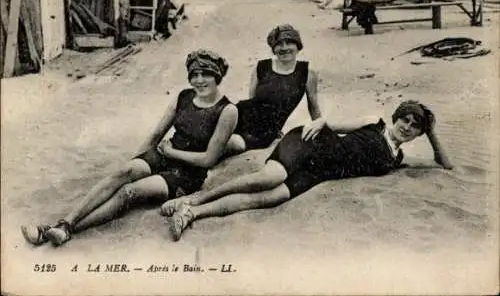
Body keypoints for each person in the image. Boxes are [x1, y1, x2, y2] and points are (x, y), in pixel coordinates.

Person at [21, 49, 238, 247]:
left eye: (206, 74)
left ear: (217, 76)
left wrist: (172, 152)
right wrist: (134, 162)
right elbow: (156, 134)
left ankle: (64, 230)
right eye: (194, 75)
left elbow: (209, 159)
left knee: (129, 191)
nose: (199, 81)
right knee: (122, 174)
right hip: (163, 156)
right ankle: (64, 224)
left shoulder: (227, 111)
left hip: (188, 173)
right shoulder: (184, 96)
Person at [160, 100, 454, 241]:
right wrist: (316, 122)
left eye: (415, 127)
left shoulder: (397, 157)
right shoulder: (374, 121)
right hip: (310, 145)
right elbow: (329, 124)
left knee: (269, 197)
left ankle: (192, 212)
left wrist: (432, 131)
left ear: (418, 135)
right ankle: (195, 199)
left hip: (320, 173)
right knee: (269, 177)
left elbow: (446, 164)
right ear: (396, 117)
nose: (407, 128)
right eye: (405, 120)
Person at [225, 24, 324, 155]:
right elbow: (252, 101)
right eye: (279, 44)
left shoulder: (307, 73)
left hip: (264, 132)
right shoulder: (262, 67)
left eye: (289, 43)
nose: (284, 48)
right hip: (239, 115)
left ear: (298, 46)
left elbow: (314, 107)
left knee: (235, 144)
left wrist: (323, 131)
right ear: (273, 48)